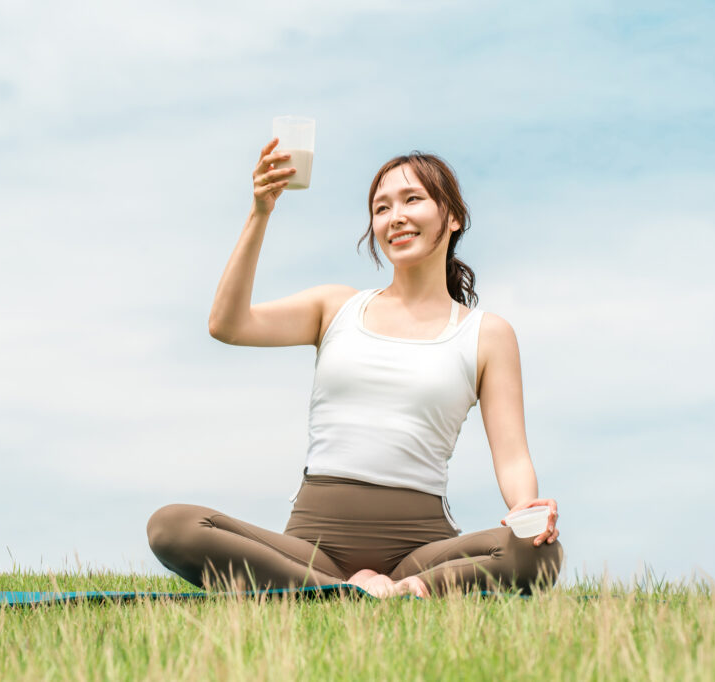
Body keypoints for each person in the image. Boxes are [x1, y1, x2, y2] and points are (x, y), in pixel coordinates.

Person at [146, 138, 564, 598]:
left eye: (412, 199)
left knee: (540, 554)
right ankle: (346, 588)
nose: (395, 217)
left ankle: (397, 588)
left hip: (420, 552)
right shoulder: (336, 307)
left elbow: (513, 457)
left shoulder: (486, 333)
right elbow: (227, 324)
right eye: (381, 208)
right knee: (172, 526)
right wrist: (260, 211)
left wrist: (528, 512)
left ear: (453, 217)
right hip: (313, 549)